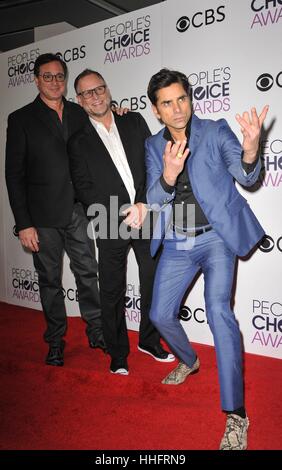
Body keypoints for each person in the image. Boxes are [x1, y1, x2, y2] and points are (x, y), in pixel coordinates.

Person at [145, 68, 268, 450]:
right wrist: (168, 176)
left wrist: (250, 149)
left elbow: (247, 175)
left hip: (217, 239)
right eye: (167, 103)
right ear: (156, 110)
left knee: (218, 312)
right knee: (158, 315)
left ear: (190, 98)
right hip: (178, 242)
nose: (177, 108)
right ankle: (189, 359)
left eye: (181, 98)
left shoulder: (214, 131)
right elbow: (152, 198)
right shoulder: (153, 146)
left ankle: (236, 415)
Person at [68, 69, 175, 375]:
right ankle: (117, 352)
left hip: (145, 212)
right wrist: (119, 213)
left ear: (108, 90)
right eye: (87, 93)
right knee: (112, 289)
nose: (96, 96)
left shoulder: (133, 120)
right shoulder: (78, 141)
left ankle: (149, 340)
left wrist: (143, 204)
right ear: (80, 100)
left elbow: (151, 165)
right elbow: (83, 187)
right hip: (109, 218)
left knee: (153, 279)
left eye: (99, 89)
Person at [5, 53, 106, 367]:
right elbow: (14, 174)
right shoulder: (20, 118)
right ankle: (55, 341)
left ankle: (98, 331)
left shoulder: (79, 112)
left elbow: (106, 124)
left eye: (59, 76)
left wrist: (121, 112)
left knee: (88, 274)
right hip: (42, 218)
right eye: (47, 76)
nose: (54, 81)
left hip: (78, 211)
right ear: (36, 79)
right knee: (49, 281)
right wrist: (24, 223)